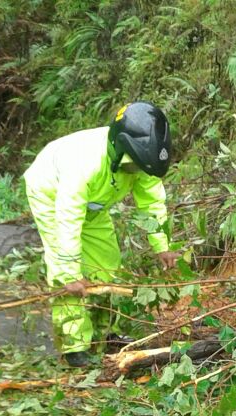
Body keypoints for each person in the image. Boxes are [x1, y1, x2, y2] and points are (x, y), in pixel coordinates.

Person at [23, 101, 177, 367]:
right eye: (133, 168)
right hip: (51, 194)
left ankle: (103, 334)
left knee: (107, 264)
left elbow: (152, 202)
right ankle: (74, 348)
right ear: (119, 151)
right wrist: (71, 273)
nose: (137, 174)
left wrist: (162, 245)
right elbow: (67, 219)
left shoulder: (143, 159)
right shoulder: (84, 164)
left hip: (95, 204)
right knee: (66, 278)